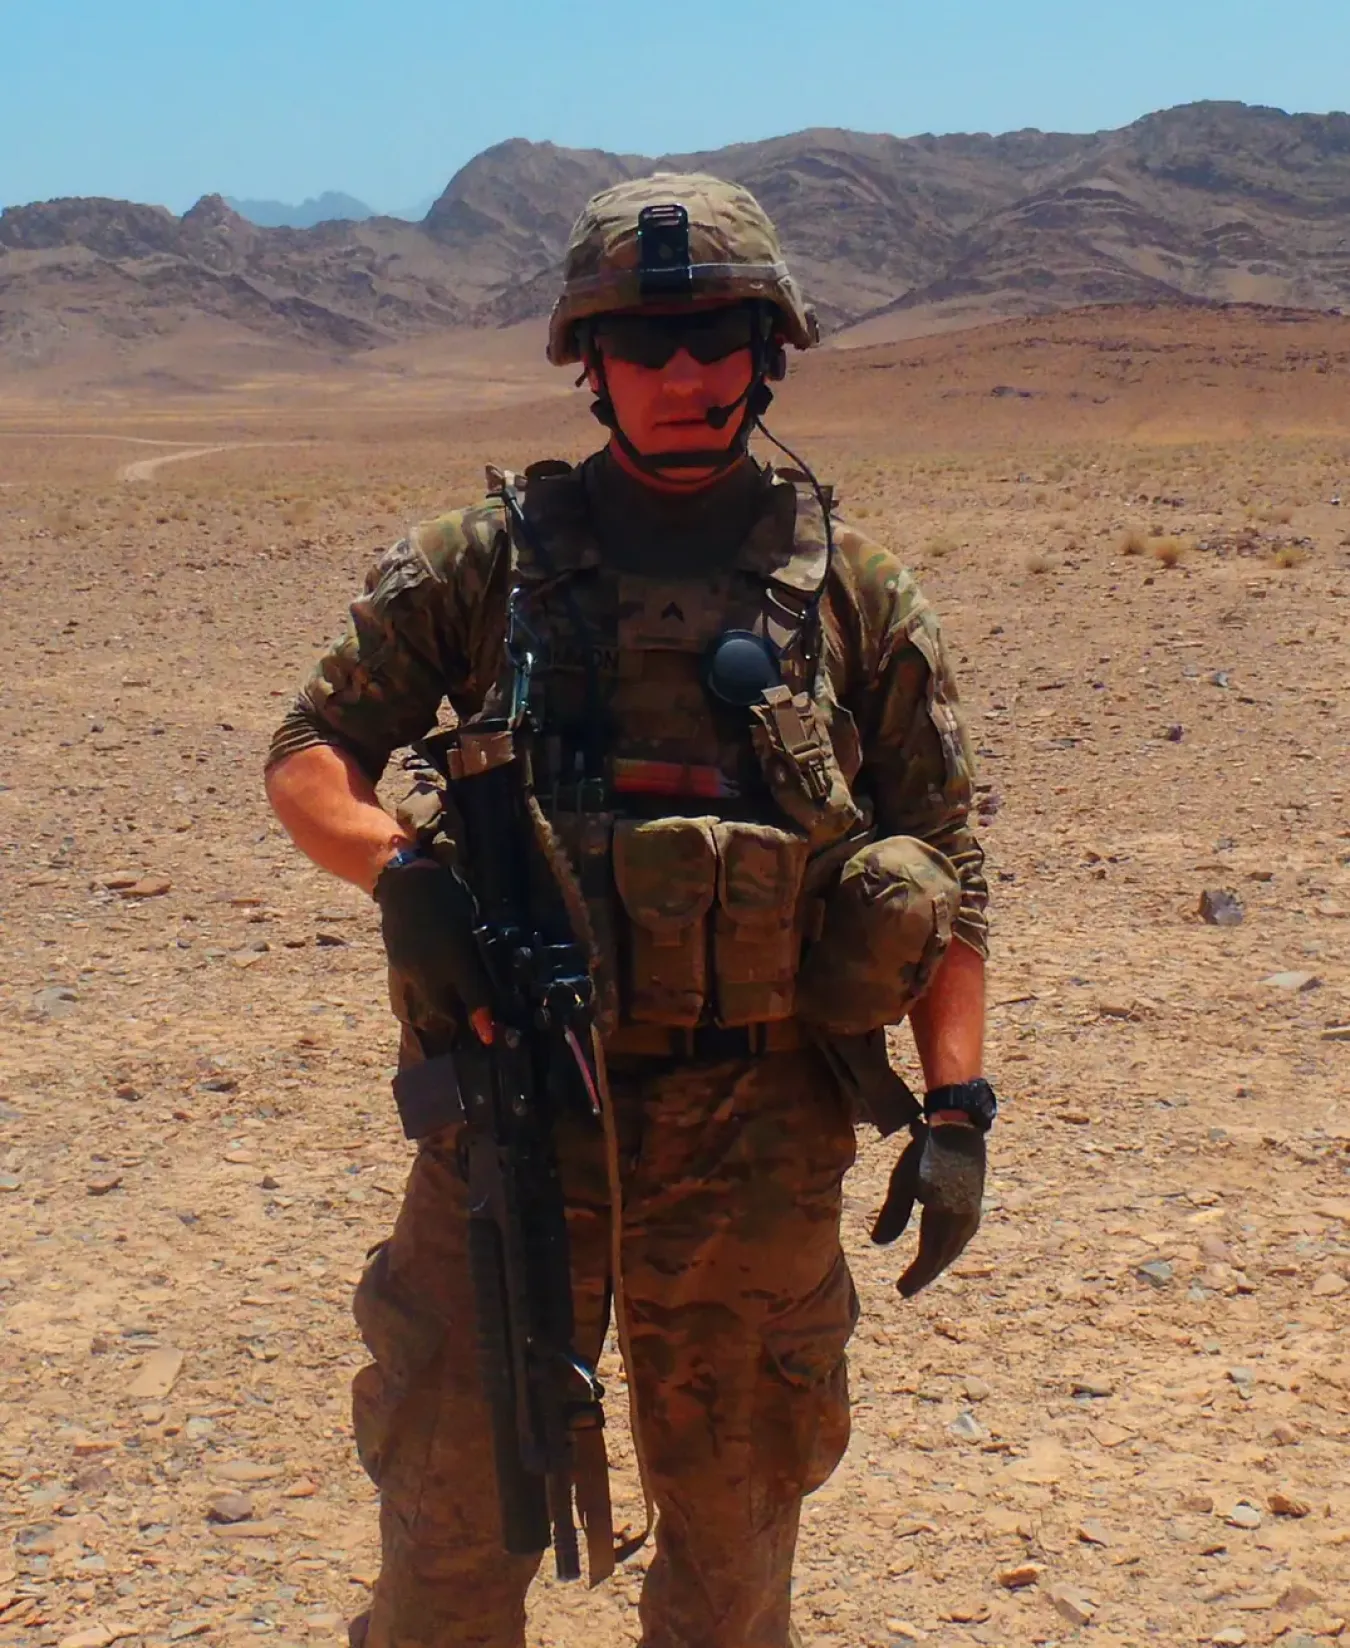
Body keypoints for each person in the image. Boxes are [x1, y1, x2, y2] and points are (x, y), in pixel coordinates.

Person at [264, 172, 996, 1648]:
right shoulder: (485, 565)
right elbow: (308, 758)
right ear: (586, 362)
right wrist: (396, 872)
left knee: (730, 1566)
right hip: (517, 1115)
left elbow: (944, 858)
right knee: (451, 1535)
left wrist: (959, 1105)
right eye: (644, 343)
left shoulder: (852, 589)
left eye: (715, 335)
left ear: (767, 346)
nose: (684, 373)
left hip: (758, 1128)